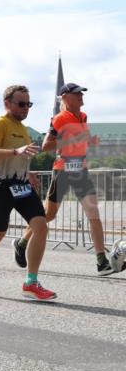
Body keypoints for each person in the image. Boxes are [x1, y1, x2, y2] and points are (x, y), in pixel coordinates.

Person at [0, 85, 57, 300]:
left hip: (21, 184)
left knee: (40, 226)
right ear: (7, 103)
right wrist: (16, 151)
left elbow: (19, 157)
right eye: (21, 104)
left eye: (28, 104)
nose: (26, 108)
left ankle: (31, 282)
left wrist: (29, 171)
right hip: (0, 186)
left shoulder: (23, 128)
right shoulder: (0, 124)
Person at [14, 83, 114, 276]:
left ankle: (101, 261)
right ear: (65, 97)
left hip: (81, 170)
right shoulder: (59, 119)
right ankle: (22, 242)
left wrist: (90, 141)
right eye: (77, 94)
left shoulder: (83, 116)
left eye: (81, 93)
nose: (81, 96)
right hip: (63, 170)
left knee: (94, 215)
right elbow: (46, 146)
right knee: (48, 215)